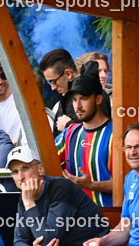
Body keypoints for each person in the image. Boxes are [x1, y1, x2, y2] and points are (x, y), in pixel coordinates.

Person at [57, 66, 114, 206]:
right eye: (75, 99)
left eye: (84, 98)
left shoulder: (116, 135)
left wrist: (91, 185)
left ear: (98, 99)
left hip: (109, 217)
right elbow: (46, 159)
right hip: (76, 219)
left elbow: (128, 183)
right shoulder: (69, 133)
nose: (78, 105)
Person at [39, 49, 79, 134]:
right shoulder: (64, 99)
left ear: (68, 74)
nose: (53, 88)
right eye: (50, 83)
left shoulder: (92, 97)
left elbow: (98, 135)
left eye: (53, 81)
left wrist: (69, 125)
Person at [74, 51, 112, 118]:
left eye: (105, 71)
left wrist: (69, 124)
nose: (104, 75)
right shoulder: (65, 102)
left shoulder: (117, 99)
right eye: (98, 71)